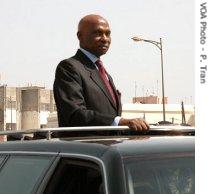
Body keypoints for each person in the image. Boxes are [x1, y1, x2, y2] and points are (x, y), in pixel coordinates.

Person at [53, 14, 149, 131]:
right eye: (98, 33)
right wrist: (119, 121)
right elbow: (74, 114)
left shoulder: (105, 75)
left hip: (110, 146)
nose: (105, 39)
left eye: (108, 34)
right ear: (80, 36)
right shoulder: (69, 68)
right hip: (84, 147)